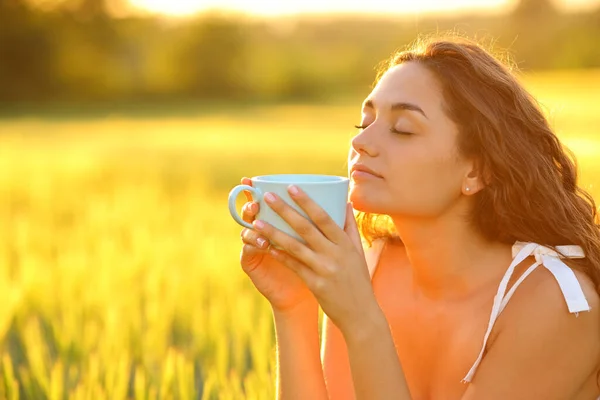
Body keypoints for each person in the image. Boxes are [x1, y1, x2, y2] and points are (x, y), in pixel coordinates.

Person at [237, 35, 600, 399]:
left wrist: (363, 318)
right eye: (364, 123)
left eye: (402, 129)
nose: (361, 143)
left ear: (477, 171)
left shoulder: (554, 302)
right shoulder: (368, 268)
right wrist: (295, 305)